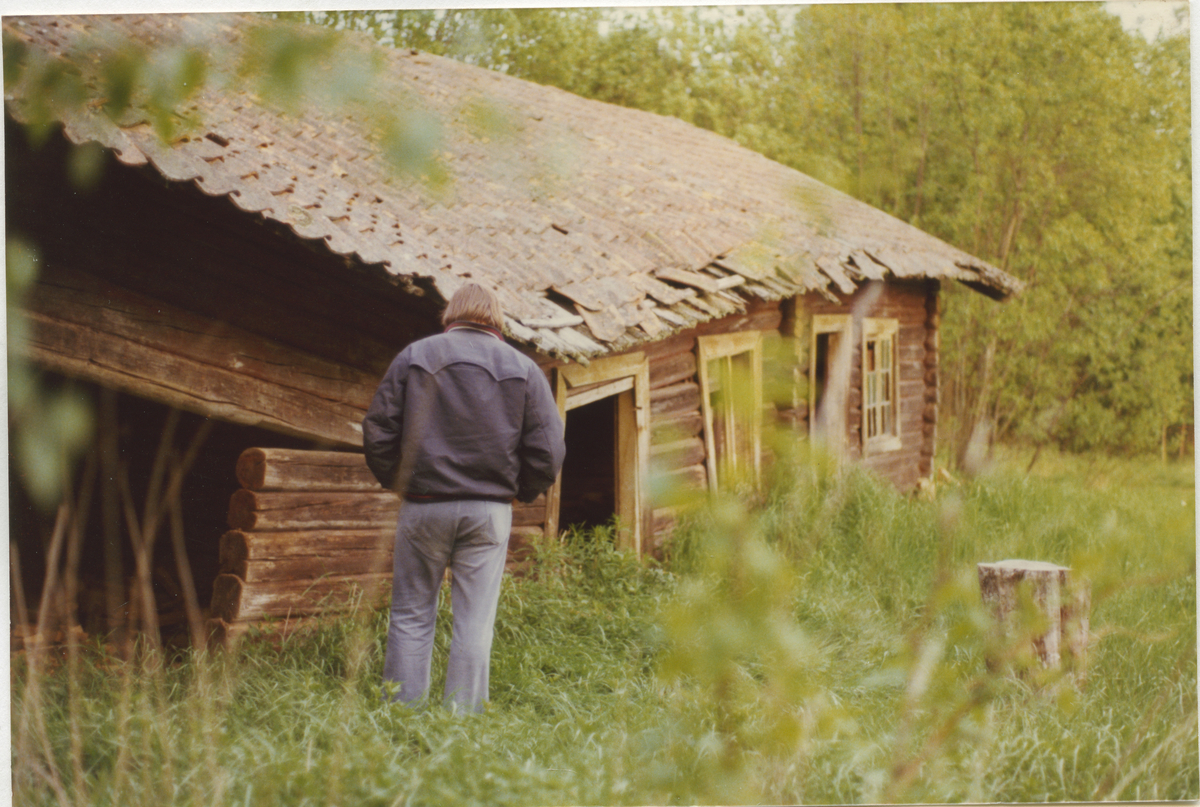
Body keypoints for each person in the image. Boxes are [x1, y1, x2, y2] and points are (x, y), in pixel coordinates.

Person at [362, 282, 565, 712]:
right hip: (488, 511)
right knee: (475, 621)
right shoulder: (523, 368)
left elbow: (378, 431)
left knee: (411, 614)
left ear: (450, 315)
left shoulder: (415, 356)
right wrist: (518, 491)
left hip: (423, 506)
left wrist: (401, 483)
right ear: (497, 320)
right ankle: (462, 724)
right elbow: (549, 450)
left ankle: (401, 713)